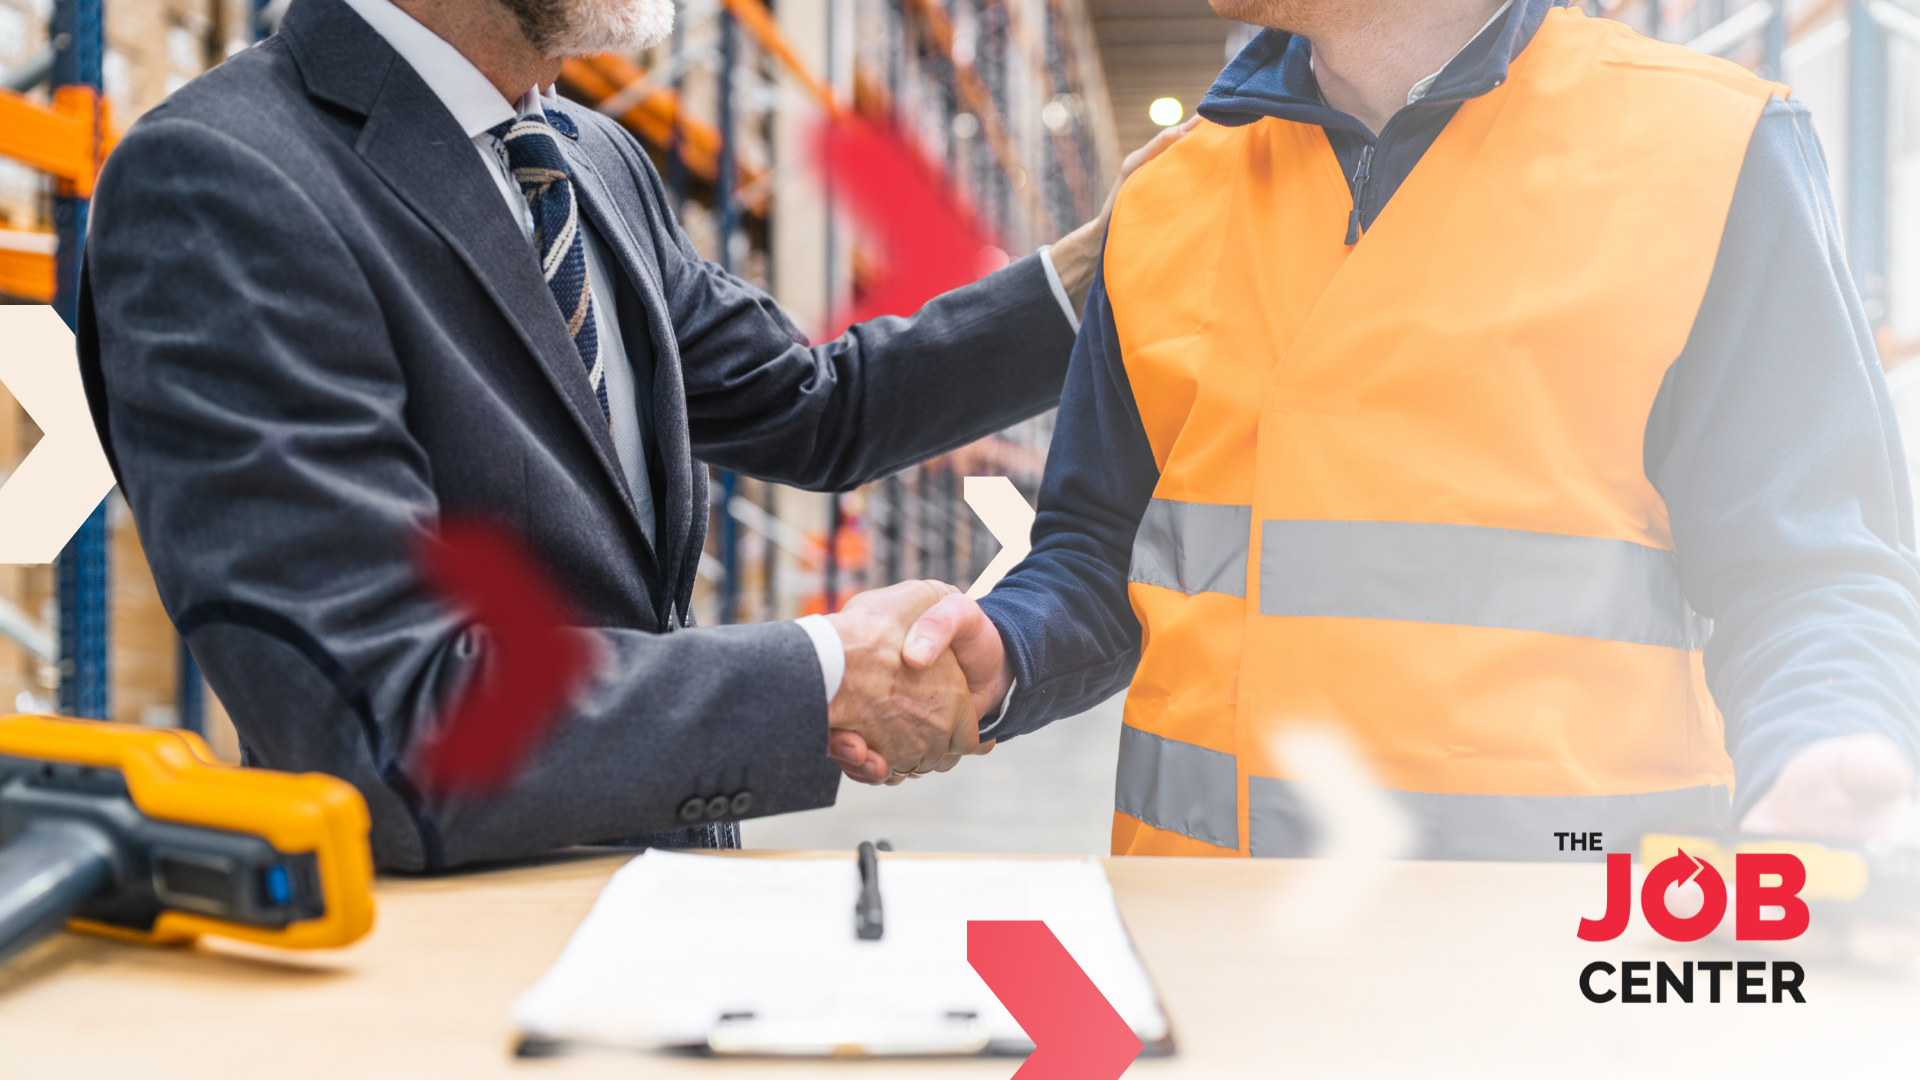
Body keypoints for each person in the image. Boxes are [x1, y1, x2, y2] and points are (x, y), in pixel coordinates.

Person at [77, 0, 1149, 870]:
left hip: (659, 902)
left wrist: (1108, 270)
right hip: (449, 959)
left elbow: (818, 408)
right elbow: (393, 722)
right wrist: (821, 673)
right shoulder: (226, 179)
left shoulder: (588, 157)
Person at [868, 0, 1920, 861]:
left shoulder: (1711, 155)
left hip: (1570, 957)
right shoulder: (1167, 202)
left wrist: (1822, 743)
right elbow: (1097, 552)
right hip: (1209, 955)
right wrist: (1007, 646)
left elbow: (1809, 570)